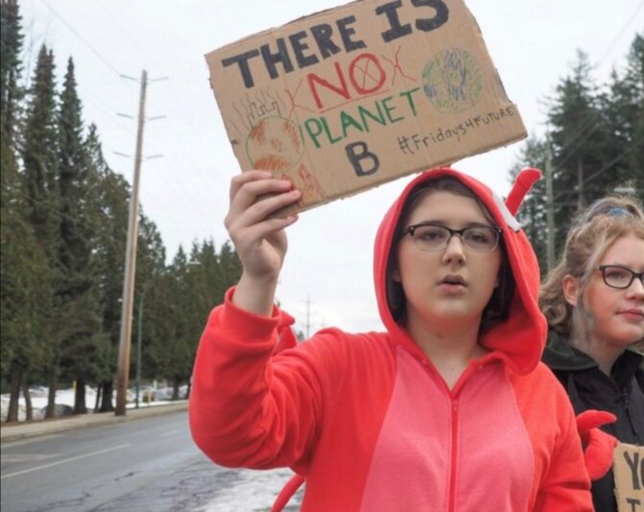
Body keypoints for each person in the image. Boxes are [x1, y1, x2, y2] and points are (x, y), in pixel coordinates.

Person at [189, 167, 593, 511]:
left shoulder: (541, 392)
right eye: (431, 234)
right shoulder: (338, 364)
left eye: (477, 237)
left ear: (503, 267)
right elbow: (231, 435)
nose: (455, 252)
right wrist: (259, 280)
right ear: (393, 262)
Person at [540, 194, 644, 512]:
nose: (639, 292)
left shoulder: (634, 381)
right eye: (616, 274)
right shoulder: (533, 383)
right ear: (573, 290)